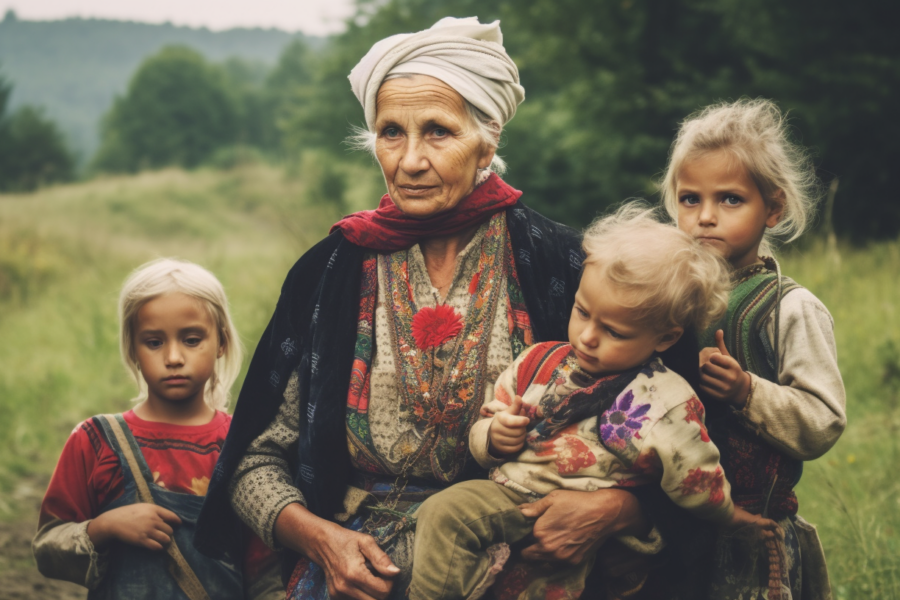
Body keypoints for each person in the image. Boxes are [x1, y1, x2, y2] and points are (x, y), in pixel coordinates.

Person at [196, 17, 701, 600]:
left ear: (488, 139)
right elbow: (253, 458)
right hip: (355, 573)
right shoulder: (330, 271)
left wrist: (617, 510)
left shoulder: (563, 265)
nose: (410, 160)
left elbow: (679, 431)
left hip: (526, 561)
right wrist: (321, 541)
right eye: (391, 133)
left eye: (437, 132)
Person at [410, 207, 781, 600]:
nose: (587, 337)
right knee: (444, 513)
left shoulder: (666, 402)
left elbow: (696, 478)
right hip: (511, 497)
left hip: (591, 520)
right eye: (582, 312)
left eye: (614, 331)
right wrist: (493, 437)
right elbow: (488, 420)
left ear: (666, 338)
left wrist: (728, 515)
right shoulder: (540, 362)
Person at [663, 98, 847, 599]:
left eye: (729, 200)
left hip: (753, 530)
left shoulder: (791, 308)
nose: (705, 217)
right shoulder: (665, 300)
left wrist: (748, 392)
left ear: (774, 207)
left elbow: (823, 419)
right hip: (668, 528)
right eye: (689, 199)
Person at [33, 258, 281, 599]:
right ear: (132, 348)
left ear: (221, 343)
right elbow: (48, 548)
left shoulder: (241, 445)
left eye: (192, 340)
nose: (174, 357)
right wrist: (104, 528)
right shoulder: (95, 441)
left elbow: (266, 572)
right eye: (153, 342)